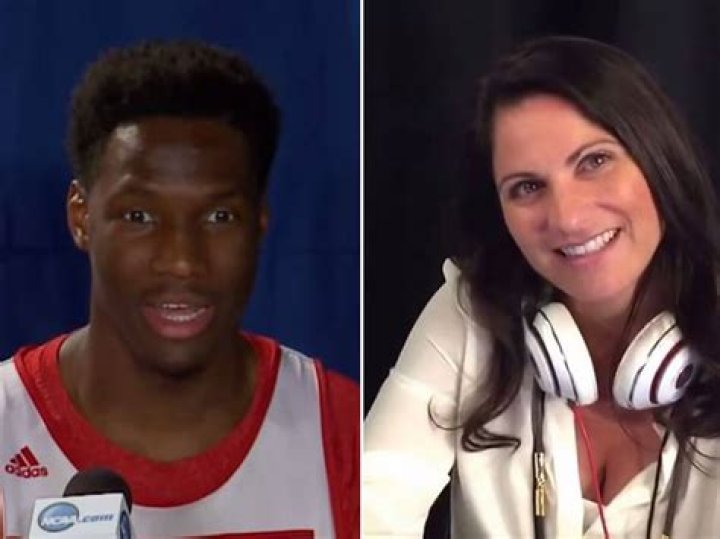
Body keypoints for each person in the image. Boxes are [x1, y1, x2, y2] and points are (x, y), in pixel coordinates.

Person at [363, 35, 720, 538]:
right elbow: (374, 494)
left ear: (658, 160)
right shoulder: (470, 311)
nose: (568, 218)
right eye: (527, 187)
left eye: (594, 162)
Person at [0, 40, 358, 537]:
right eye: (139, 216)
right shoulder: (8, 425)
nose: (183, 261)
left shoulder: (343, 433)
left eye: (219, 217)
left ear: (259, 223)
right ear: (81, 217)